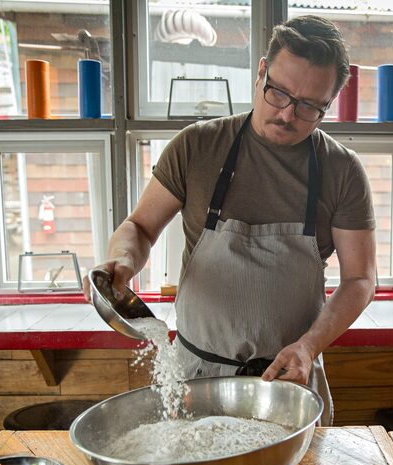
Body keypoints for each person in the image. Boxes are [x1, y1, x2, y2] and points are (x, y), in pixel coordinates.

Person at [86, 15, 376, 425]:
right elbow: (140, 227)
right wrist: (122, 260)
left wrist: (309, 347)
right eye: (278, 93)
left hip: (288, 384)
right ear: (261, 72)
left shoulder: (341, 170)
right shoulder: (197, 146)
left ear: (329, 103)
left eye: (310, 106)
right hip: (196, 381)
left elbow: (360, 279)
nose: (288, 114)